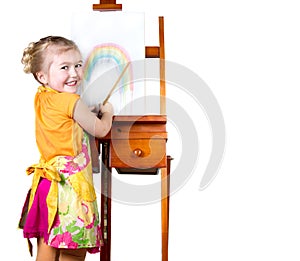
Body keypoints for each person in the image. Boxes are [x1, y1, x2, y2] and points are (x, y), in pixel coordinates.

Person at [18, 36, 114, 261]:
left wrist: (86, 109)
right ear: (42, 76)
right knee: (74, 247)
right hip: (69, 190)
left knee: (48, 244)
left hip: (47, 188)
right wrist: (108, 111)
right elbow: (100, 129)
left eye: (78, 65)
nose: (75, 73)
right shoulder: (72, 102)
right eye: (65, 67)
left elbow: (63, 116)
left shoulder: (42, 97)